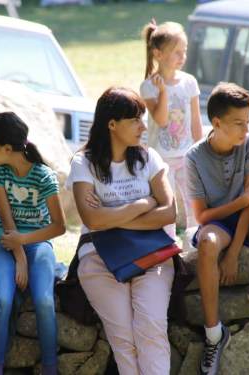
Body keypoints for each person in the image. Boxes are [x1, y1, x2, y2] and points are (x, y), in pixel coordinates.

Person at [64, 86, 177, 375]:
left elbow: (169, 212)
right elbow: (92, 219)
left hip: (152, 256)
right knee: (124, 341)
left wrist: (110, 216)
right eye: (134, 120)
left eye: (142, 118)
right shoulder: (84, 162)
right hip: (99, 258)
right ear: (111, 124)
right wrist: (143, 203)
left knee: (151, 331)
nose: (143, 126)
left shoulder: (148, 157)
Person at [184, 82, 249, 375]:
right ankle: (213, 336)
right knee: (206, 242)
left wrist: (233, 253)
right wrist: (243, 199)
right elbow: (202, 215)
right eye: (239, 122)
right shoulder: (194, 158)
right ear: (217, 123)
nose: (246, 128)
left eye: (248, 121)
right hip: (217, 222)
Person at [0, 112, 66, 375]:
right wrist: (20, 257)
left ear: (7, 148)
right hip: (5, 243)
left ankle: (50, 368)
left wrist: (26, 243)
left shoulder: (43, 176)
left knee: (44, 301)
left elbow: (59, 226)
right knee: (3, 301)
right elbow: (7, 223)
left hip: (37, 243)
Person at [140, 20, 203, 239]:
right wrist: (163, 92)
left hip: (186, 156)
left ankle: (194, 240)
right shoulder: (149, 86)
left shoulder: (189, 82)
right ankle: (168, 246)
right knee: (168, 205)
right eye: (177, 52)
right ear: (157, 54)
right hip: (161, 159)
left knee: (193, 200)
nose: (182, 57)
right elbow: (161, 119)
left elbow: (195, 119)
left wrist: (199, 150)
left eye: (184, 52)